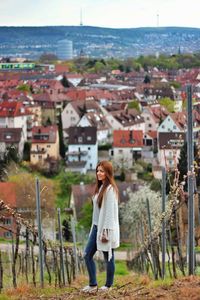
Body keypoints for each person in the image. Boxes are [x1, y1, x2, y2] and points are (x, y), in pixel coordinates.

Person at [81, 160, 120, 293]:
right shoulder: (101, 188)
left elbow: (109, 212)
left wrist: (106, 232)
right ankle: (93, 285)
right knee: (87, 255)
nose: (98, 173)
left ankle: (108, 286)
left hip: (105, 228)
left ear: (108, 173)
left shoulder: (110, 189)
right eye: (97, 170)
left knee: (108, 256)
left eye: (102, 171)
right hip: (96, 227)